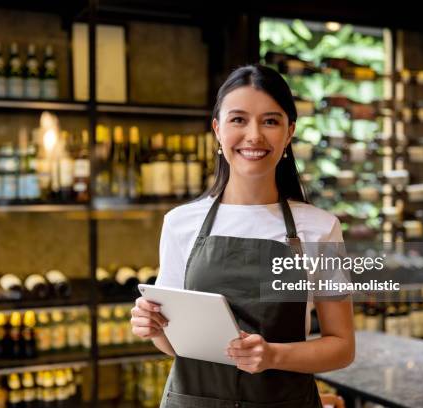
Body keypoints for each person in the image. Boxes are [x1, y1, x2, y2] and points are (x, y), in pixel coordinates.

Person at [130, 64, 355, 407]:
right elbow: (179, 346)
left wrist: (273, 356)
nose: (254, 135)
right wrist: (156, 328)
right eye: (238, 120)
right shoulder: (180, 224)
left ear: (289, 132)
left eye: (270, 121)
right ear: (218, 130)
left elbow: (341, 347)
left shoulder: (320, 228)